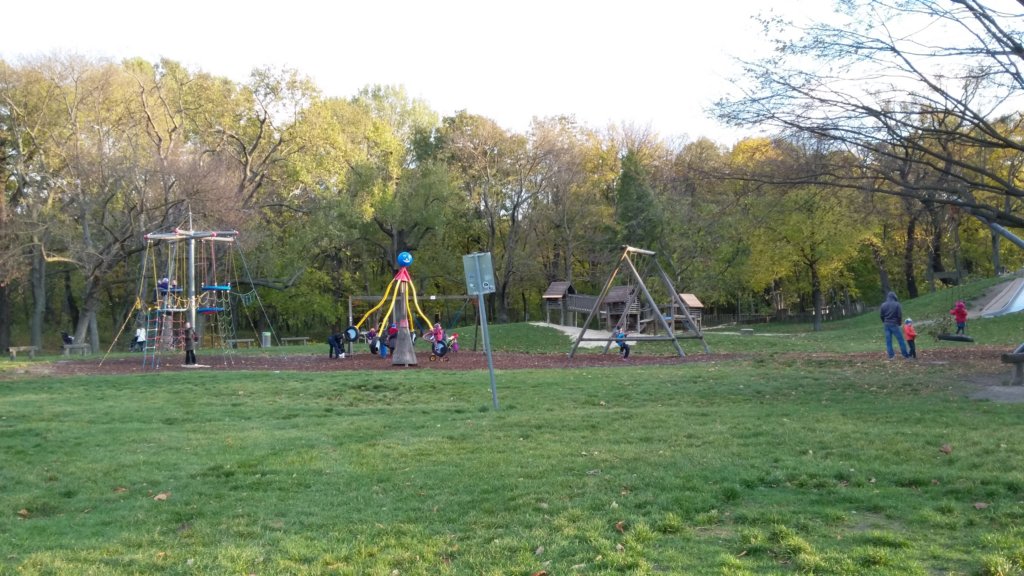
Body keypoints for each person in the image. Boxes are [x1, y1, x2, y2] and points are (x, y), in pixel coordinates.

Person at [880, 291, 910, 359]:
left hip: (886, 324)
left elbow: (881, 315)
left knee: (888, 341)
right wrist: (899, 323)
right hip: (894, 324)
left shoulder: (883, 305)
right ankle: (905, 355)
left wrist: (884, 321)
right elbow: (899, 316)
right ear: (894, 297)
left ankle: (891, 356)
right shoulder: (897, 304)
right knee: (901, 340)